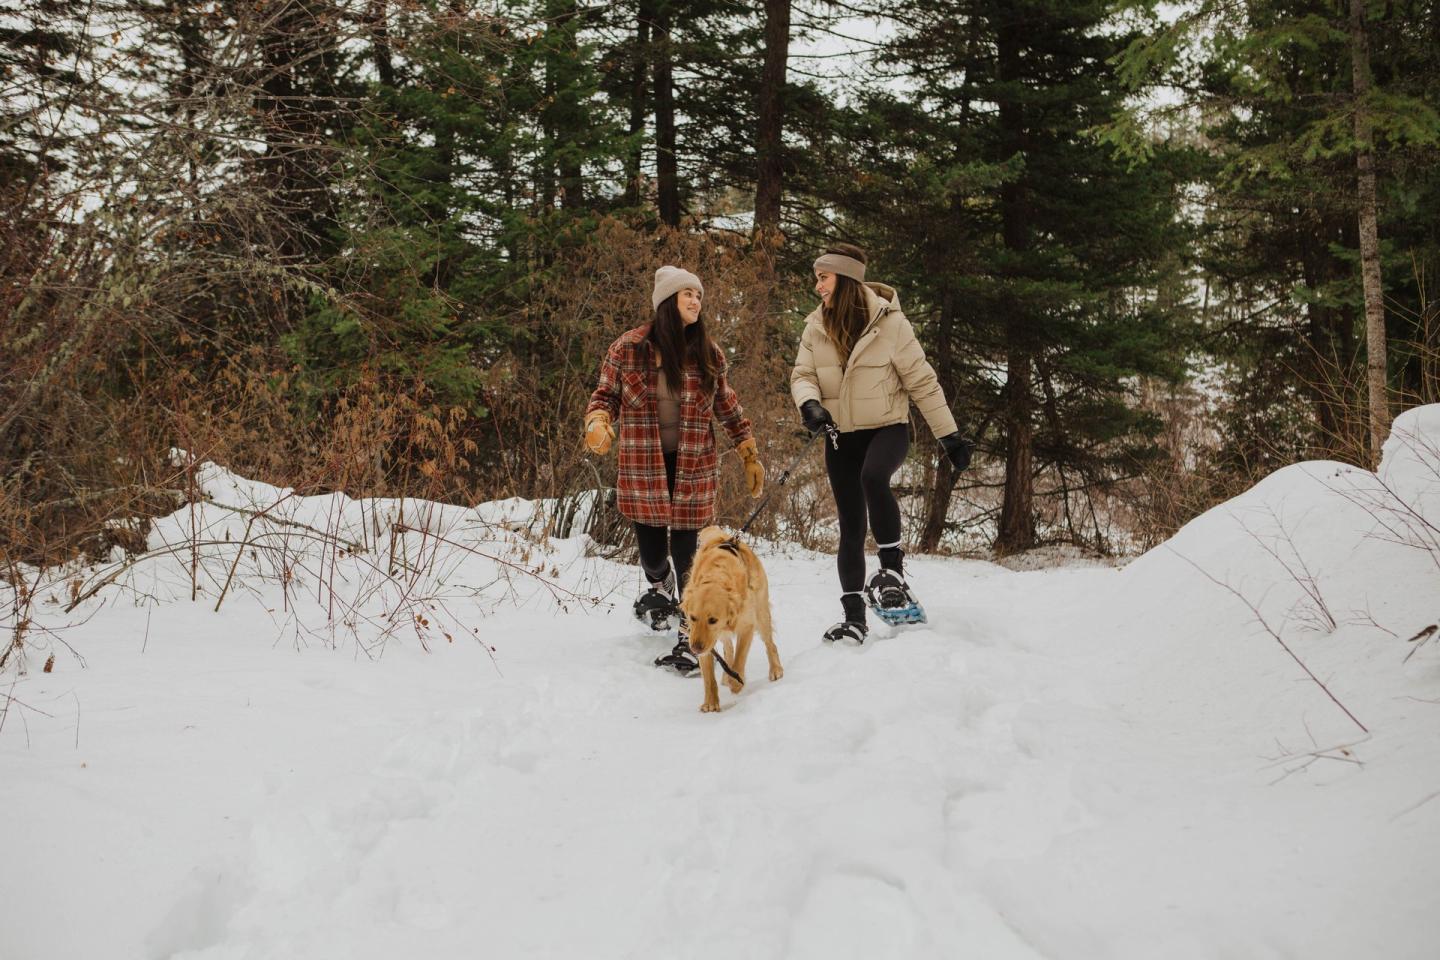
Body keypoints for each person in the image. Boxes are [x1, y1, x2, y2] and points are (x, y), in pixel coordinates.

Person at [585, 265, 765, 673]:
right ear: (668, 301)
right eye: (688, 294)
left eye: (699, 296)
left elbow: (727, 405)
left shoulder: (708, 353)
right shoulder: (628, 348)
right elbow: (605, 394)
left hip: (692, 466)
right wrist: (597, 421)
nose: (696, 302)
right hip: (643, 464)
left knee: (688, 556)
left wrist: (747, 448)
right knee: (652, 557)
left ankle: (689, 637)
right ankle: (662, 591)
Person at [790, 243, 972, 643]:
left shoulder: (891, 325)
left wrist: (950, 437)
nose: (817, 286)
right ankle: (854, 618)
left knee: (874, 477)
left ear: (846, 278)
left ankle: (891, 569)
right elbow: (802, 374)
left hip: (887, 428)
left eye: (823, 277)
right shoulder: (815, 326)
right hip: (840, 436)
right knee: (850, 526)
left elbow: (922, 382)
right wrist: (810, 405)